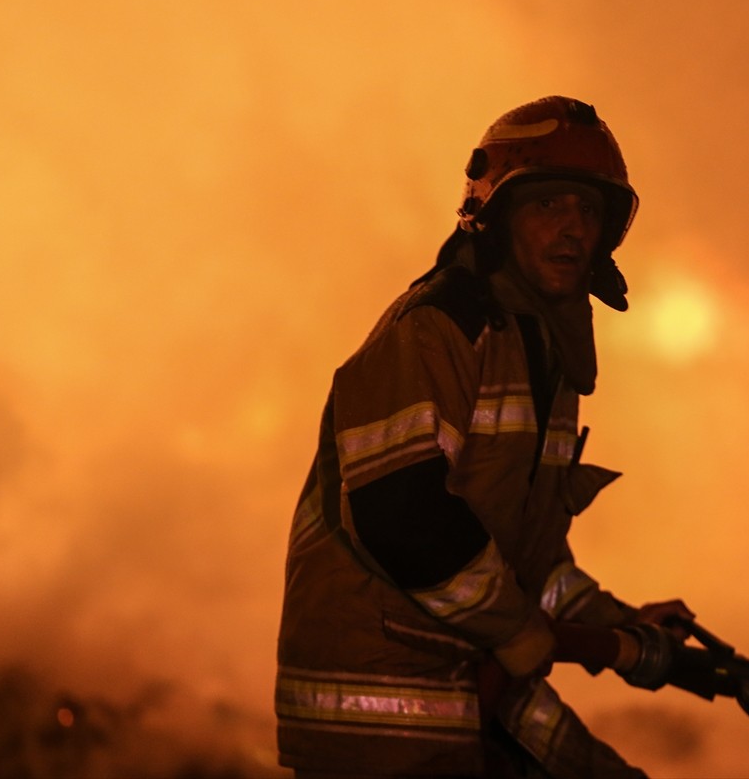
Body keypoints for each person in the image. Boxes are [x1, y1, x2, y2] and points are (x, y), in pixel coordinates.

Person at [276, 96, 694, 779]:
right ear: (493, 219)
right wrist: (526, 632)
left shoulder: (541, 354)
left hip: (475, 687)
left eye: (589, 211)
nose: (573, 229)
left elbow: (529, 561)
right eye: (548, 206)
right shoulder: (435, 330)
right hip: (385, 716)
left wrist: (623, 624)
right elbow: (404, 518)